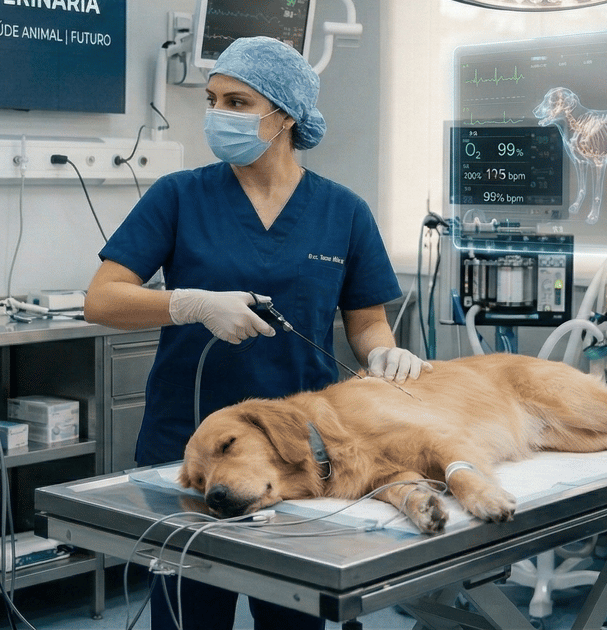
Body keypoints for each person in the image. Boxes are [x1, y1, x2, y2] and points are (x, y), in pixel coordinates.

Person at [84, 36, 428, 630]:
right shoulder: (179, 195)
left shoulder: (342, 210)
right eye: (213, 99)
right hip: (190, 446)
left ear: (285, 115)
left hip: (298, 452)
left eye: (237, 102)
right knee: (192, 613)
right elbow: (102, 300)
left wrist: (386, 352)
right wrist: (190, 303)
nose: (219, 114)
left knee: (292, 613)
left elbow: (367, 322)